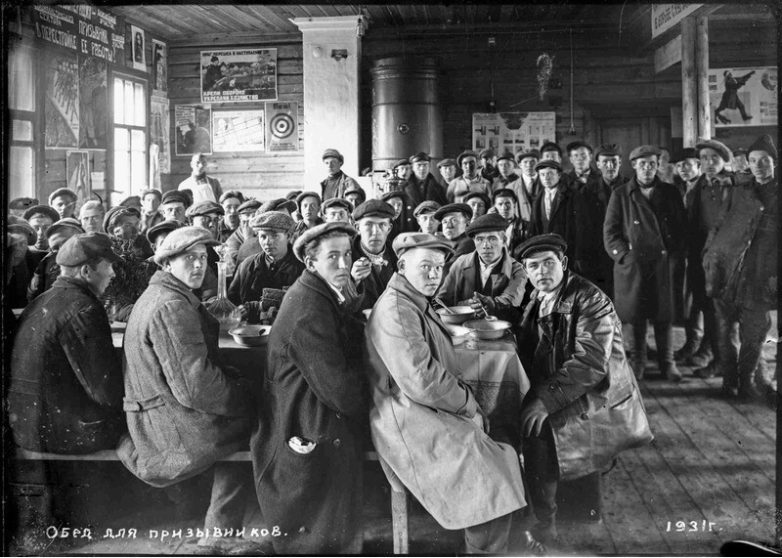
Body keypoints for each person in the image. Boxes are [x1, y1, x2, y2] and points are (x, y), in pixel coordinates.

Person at [365, 232, 527, 554]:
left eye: (439, 267)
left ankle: (489, 545)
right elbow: (422, 380)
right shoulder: (397, 309)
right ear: (402, 266)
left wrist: (467, 407)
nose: (434, 274)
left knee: (501, 458)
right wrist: (469, 406)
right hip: (405, 419)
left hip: (420, 409)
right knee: (490, 478)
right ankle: (483, 550)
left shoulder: (412, 299)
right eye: (425, 266)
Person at [117, 227, 255, 554]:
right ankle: (220, 533)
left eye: (203, 258)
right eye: (188, 258)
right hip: (167, 429)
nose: (198, 265)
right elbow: (196, 390)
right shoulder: (172, 307)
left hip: (153, 415)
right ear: (167, 264)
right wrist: (248, 397)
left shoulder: (159, 295)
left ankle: (214, 523)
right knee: (257, 427)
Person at [515, 233, 652, 545]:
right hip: (570, 386)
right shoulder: (541, 294)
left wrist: (544, 401)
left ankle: (544, 525)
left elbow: (589, 363)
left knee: (536, 429)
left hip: (595, 396)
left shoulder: (590, 299)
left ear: (563, 263)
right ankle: (542, 511)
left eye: (548, 263)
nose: (541, 271)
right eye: (533, 266)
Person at [252, 222, 368, 554]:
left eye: (347, 255)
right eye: (333, 256)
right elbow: (342, 394)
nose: (344, 264)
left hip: (304, 399)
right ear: (311, 262)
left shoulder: (316, 291)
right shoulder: (308, 309)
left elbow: (344, 324)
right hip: (298, 414)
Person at [8, 233, 125, 453]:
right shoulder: (84, 308)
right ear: (86, 271)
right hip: (63, 435)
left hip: (26, 429)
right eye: (108, 266)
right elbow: (105, 392)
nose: (113, 273)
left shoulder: (42, 300)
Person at [604, 145, 687, 382]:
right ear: (634, 166)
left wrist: (674, 255)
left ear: (658, 165)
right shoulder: (621, 194)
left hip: (663, 264)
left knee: (664, 316)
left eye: (652, 164)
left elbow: (681, 228)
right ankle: (638, 361)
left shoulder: (670, 192)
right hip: (635, 265)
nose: (647, 169)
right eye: (642, 164)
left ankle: (667, 363)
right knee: (636, 315)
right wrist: (624, 255)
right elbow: (610, 232)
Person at [703, 134, 777, 399]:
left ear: (775, 162)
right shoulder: (740, 191)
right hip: (727, 270)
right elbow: (719, 225)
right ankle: (729, 381)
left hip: (760, 275)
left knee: (753, 334)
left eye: (765, 160)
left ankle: (746, 384)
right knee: (725, 330)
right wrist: (708, 256)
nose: (759, 166)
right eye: (753, 161)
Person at [683, 139, 736, 377]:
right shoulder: (699, 185)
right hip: (698, 255)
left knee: (722, 312)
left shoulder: (734, 185)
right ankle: (709, 351)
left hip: (723, 257)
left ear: (724, 161)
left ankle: (722, 362)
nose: (709, 163)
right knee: (705, 305)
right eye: (704, 158)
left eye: (715, 158)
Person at [437, 213, 526, 323]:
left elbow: (510, 301)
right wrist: (466, 304)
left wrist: (491, 304)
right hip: (462, 327)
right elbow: (442, 300)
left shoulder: (516, 269)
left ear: (504, 240)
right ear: (474, 241)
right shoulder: (461, 262)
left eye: (492, 239)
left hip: (499, 328)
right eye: (480, 239)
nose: (486, 246)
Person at [228, 211, 304, 323]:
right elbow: (232, 301)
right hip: (251, 329)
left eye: (275, 236)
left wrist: (257, 306)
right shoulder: (246, 265)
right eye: (263, 236)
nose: (268, 242)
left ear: (288, 236)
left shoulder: (303, 268)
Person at [350, 199, 398, 310]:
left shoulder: (399, 256)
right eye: (369, 224)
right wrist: (353, 281)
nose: (376, 232)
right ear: (357, 228)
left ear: (389, 228)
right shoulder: (345, 257)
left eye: (382, 225)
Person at [27, 218, 84, 303]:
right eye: (55, 248)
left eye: (66, 243)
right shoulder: (46, 263)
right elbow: (33, 298)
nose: (62, 251)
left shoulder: (97, 263)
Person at [434, 203, 475, 272]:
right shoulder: (447, 243)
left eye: (454, 220)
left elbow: (448, 271)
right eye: (445, 222)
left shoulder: (468, 243)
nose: (448, 226)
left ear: (467, 223)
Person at [492, 188, 526, 258]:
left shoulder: (526, 226)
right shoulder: (490, 228)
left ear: (514, 204)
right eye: (500, 204)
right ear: (495, 207)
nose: (504, 208)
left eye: (507, 203)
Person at [511, 149, 541, 226]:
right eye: (525, 162)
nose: (529, 165)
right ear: (520, 165)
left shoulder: (547, 184)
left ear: (538, 163)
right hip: (522, 228)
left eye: (532, 162)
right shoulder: (511, 187)